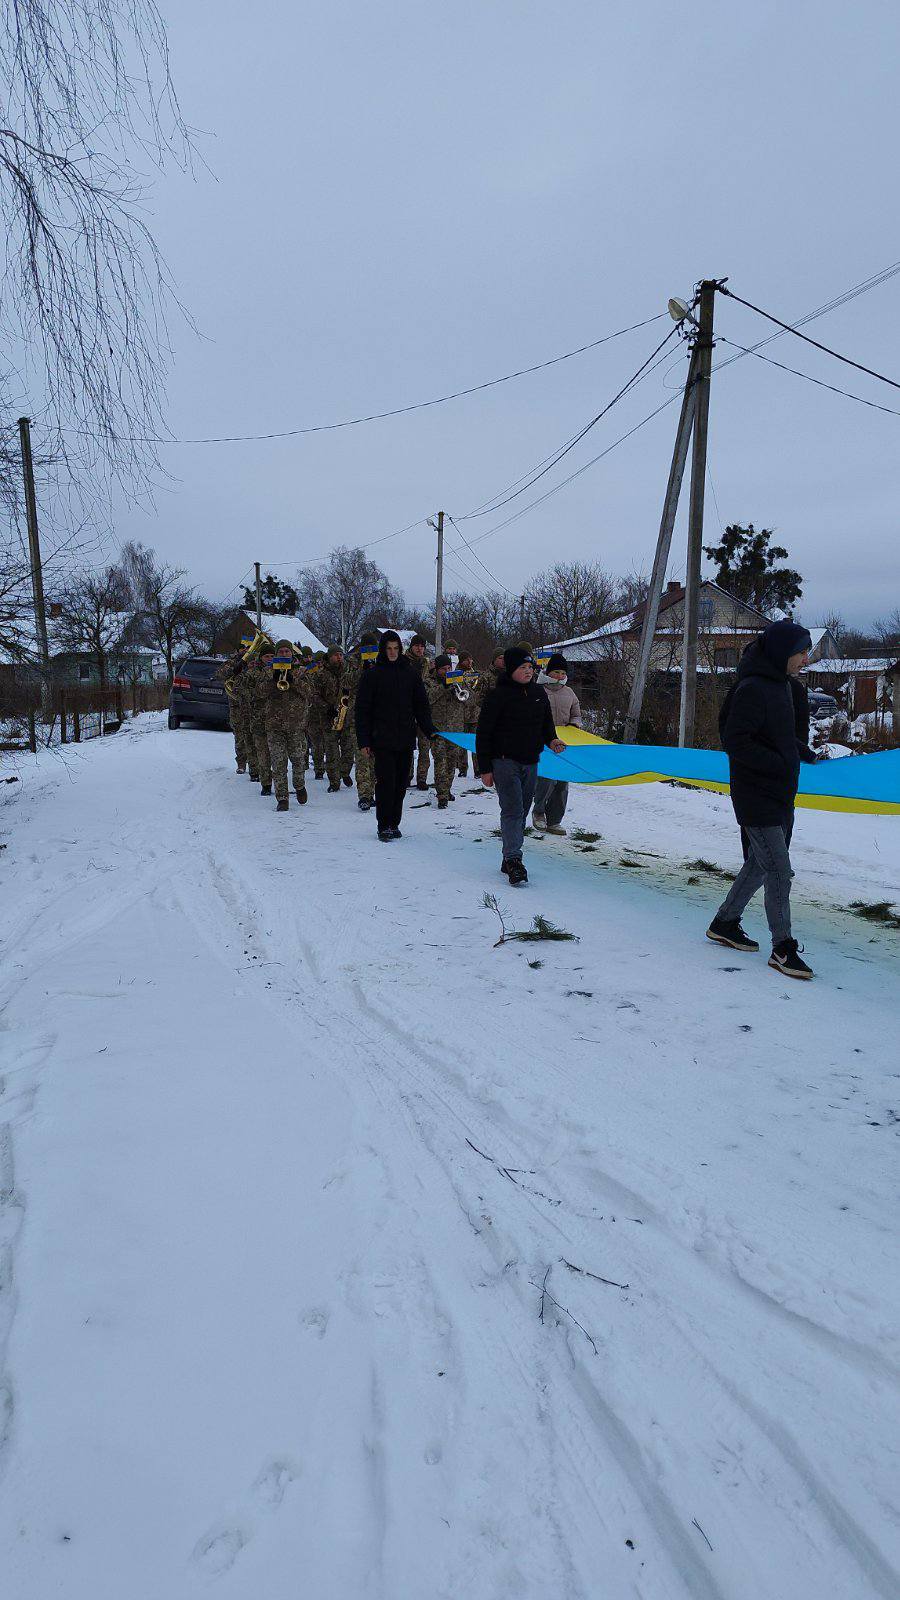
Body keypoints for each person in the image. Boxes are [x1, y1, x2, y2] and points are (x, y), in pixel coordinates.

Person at [707, 621, 818, 978]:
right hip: (757, 794)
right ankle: (783, 948)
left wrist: (804, 753)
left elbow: (779, 736)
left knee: (759, 863)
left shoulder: (785, 688)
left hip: (782, 791)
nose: (806, 658)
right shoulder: (752, 688)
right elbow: (737, 741)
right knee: (779, 871)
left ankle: (724, 923)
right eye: (801, 652)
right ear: (782, 653)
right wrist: (781, 763)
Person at [476, 646, 566, 885]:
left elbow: (546, 724)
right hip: (504, 761)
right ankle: (514, 860)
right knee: (513, 809)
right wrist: (485, 768)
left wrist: (553, 739)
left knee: (523, 809)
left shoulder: (538, 693)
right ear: (511, 669)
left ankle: (508, 856)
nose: (528, 672)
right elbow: (483, 733)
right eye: (523, 668)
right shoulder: (498, 696)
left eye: (530, 667)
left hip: (530, 762)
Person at [355, 630, 437, 841]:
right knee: (385, 783)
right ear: (383, 650)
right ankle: (383, 825)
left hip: (405, 738)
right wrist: (364, 739)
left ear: (400, 650)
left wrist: (429, 729)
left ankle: (394, 822)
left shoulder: (410, 674)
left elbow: (421, 705)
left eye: (395, 648)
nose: (392, 652)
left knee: (401, 784)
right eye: (388, 648)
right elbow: (362, 709)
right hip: (381, 739)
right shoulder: (372, 675)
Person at [531, 654, 582, 835]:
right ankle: (538, 812)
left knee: (562, 781)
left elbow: (576, 714)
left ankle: (554, 820)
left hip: (563, 743)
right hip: (542, 741)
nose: (560, 676)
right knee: (546, 778)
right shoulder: (537, 689)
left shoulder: (569, 693)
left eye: (562, 672)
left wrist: (574, 725)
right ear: (548, 672)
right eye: (556, 672)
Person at [264, 642, 310, 811]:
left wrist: (293, 680)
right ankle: (282, 798)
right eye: (281, 651)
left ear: (292, 654)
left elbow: (309, 692)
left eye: (287, 651)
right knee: (278, 763)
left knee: (298, 759)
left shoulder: (301, 671)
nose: (284, 654)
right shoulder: (267, 671)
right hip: (274, 725)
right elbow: (258, 693)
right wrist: (273, 679)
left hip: (296, 725)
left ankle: (299, 785)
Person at [426, 653, 465, 808]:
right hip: (437, 728)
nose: (446, 671)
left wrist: (459, 686)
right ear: (437, 669)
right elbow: (428, 698)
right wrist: (444, 687)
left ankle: (447, 789)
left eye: (449, 668)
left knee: (451, 762)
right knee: (440, 761)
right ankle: (441, 795)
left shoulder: (457, 680)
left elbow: (469, 699)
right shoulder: (429, 682)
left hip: (455, 728)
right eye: (443, 669)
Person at [315, 645, 355, 792]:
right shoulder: (321, 674)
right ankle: (334, 781)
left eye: (341, 655)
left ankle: (344, 772)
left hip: (347, 716)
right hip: (329, 718)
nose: (339, 657)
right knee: (331, 751)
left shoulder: (348, 671)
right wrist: (327, 708)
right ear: (329, 656)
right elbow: (314, 695)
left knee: (348, 750)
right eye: (336, 655)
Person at [346, 634, 377, 811]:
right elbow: (345, 682)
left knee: (375, 759)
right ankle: (364, 795)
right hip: (358, 716)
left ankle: (372, 792)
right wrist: (362, 671)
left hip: (378, 716)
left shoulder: (382, 660)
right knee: (362, 757)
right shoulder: (352, 661)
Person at [243, 638, 276, 795]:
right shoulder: (252, 673)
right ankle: (266, 784)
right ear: (261, 658)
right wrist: (256, 693)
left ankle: (279, 782)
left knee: (277, 754)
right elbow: (241, 690)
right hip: (259, 719)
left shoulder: (281, 670)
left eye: (272, 656)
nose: (269, 659)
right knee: (262, 754)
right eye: (266, 656)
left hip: (277, 720)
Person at [406, 634, 432, 789]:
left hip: (423, 710)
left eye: (422, 646)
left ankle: (422, 778)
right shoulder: (403, 662)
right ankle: (406, 776)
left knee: (424, 746)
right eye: (417, 645)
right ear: (411, 646)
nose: (419, 648)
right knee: (408, 745)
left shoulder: (427, 664)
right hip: (407, 709)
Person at [306, 651, 328, 779]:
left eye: (321, 662)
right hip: (313, 714)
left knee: (329, 744)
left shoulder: (326, 675)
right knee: (317, 745)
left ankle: (331, 768)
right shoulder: (310, 674)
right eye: (318, 662)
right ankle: (319, 770)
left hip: (326, 714)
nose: (320, 665)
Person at [455, 651, 475, 777]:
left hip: (475, 713)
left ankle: (478, 769)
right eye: (466, 660)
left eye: (470, 659)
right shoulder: (455, 675)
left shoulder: (476, 674)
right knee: (462, 744)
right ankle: (462, 769)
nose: (469, 662)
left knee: (475, 743)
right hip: (461, 714)